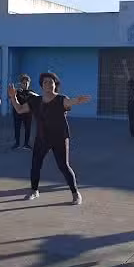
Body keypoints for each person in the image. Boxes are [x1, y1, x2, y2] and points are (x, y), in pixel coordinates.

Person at [7, 72, 90, 204]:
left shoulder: (61, 99)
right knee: (35, 165)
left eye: (51, 82)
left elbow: (70, 102)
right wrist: (13, 97)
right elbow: (20, 109)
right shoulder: (35, 100)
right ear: (41, 85)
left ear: (55, 85)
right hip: (42, 137)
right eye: (45, 82)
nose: (48, 84)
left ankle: (75, 193)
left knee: (63, 166)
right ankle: (34, 191)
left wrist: (77, 101)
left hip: (59, 138)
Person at [11, 74, 38, 150]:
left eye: (27, 83)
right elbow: (13, 99)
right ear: (21, 83)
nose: (25, 85)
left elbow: (37, 99)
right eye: (23, 83)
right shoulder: (17, 91)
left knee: (27, 128)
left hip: (28, 114)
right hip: (17, 113)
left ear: (29, 84)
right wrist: (15, 92)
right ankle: (17, 143)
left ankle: (26, 144)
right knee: (17, 128)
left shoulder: (32, 92)